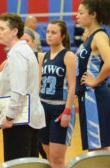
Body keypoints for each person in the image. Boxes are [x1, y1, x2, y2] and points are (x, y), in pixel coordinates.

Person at [0, 13, 45, 161]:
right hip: (29, 118)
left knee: (17, 164)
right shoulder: (22, 50)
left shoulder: (17, 53)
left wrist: (9, 117)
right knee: (29, 164)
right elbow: (7, 75)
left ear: (14, 31)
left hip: (19, 121)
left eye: (2, 28)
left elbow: (18, 90)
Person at [38, 20, 76, 168]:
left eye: (53, 32)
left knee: (57, 159)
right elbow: (39, 82)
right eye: (47, 32)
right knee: (47, 155)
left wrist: (67, 111)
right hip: (43, 108)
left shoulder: (68, 55)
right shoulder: (44, 56)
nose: (49, 35)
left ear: (63, 36)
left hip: (59, 109)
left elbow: (73, 85)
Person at [76, 0, 110, 151]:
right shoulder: (91, 36)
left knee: (97, 149)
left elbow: (109, 62)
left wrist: (95, 81)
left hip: (94, 96)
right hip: (88, 97)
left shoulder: (99, 36)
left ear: (93, 15)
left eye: (81, 12)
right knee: (98, 148)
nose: (77, 16)